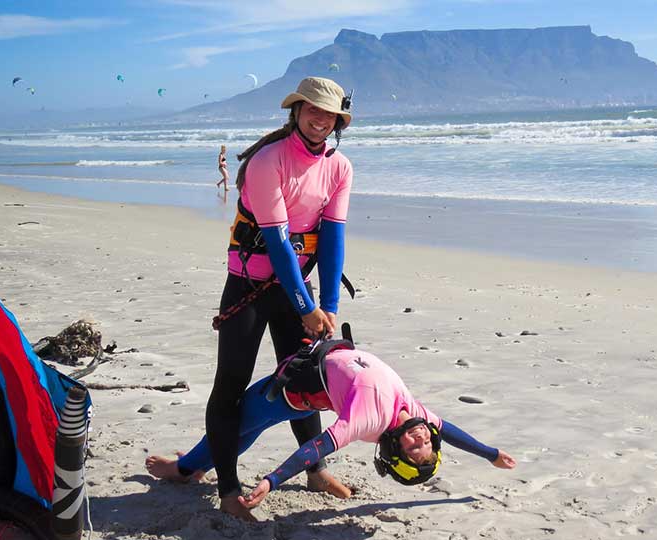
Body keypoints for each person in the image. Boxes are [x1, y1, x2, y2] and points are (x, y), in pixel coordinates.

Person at [145, 338, 517, 521]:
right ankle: (192, 468)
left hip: (289, 394)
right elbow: (449, 429)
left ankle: (181, 470)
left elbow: (315, 448)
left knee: (237, 427)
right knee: (240, 433)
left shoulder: (368, 420)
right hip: (314, 379)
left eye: (413, 446)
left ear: (393, 447)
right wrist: (491, 455)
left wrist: (272, 481)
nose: (421, 438)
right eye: (427, 444)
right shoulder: (415, 415)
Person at [203, 77, 355, 519]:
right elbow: (278, 242)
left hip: (296, 288)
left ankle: (315, 469)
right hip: (249, 287)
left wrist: (329, 305)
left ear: (338, 121)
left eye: (329, 114)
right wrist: (306, 308)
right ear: (296, 110)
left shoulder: (340, 166)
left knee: (307, 381)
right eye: (313, 110)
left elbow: (332, 239)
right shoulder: (269, 160)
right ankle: (229, 490)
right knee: (230, 384)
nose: (319, 119)